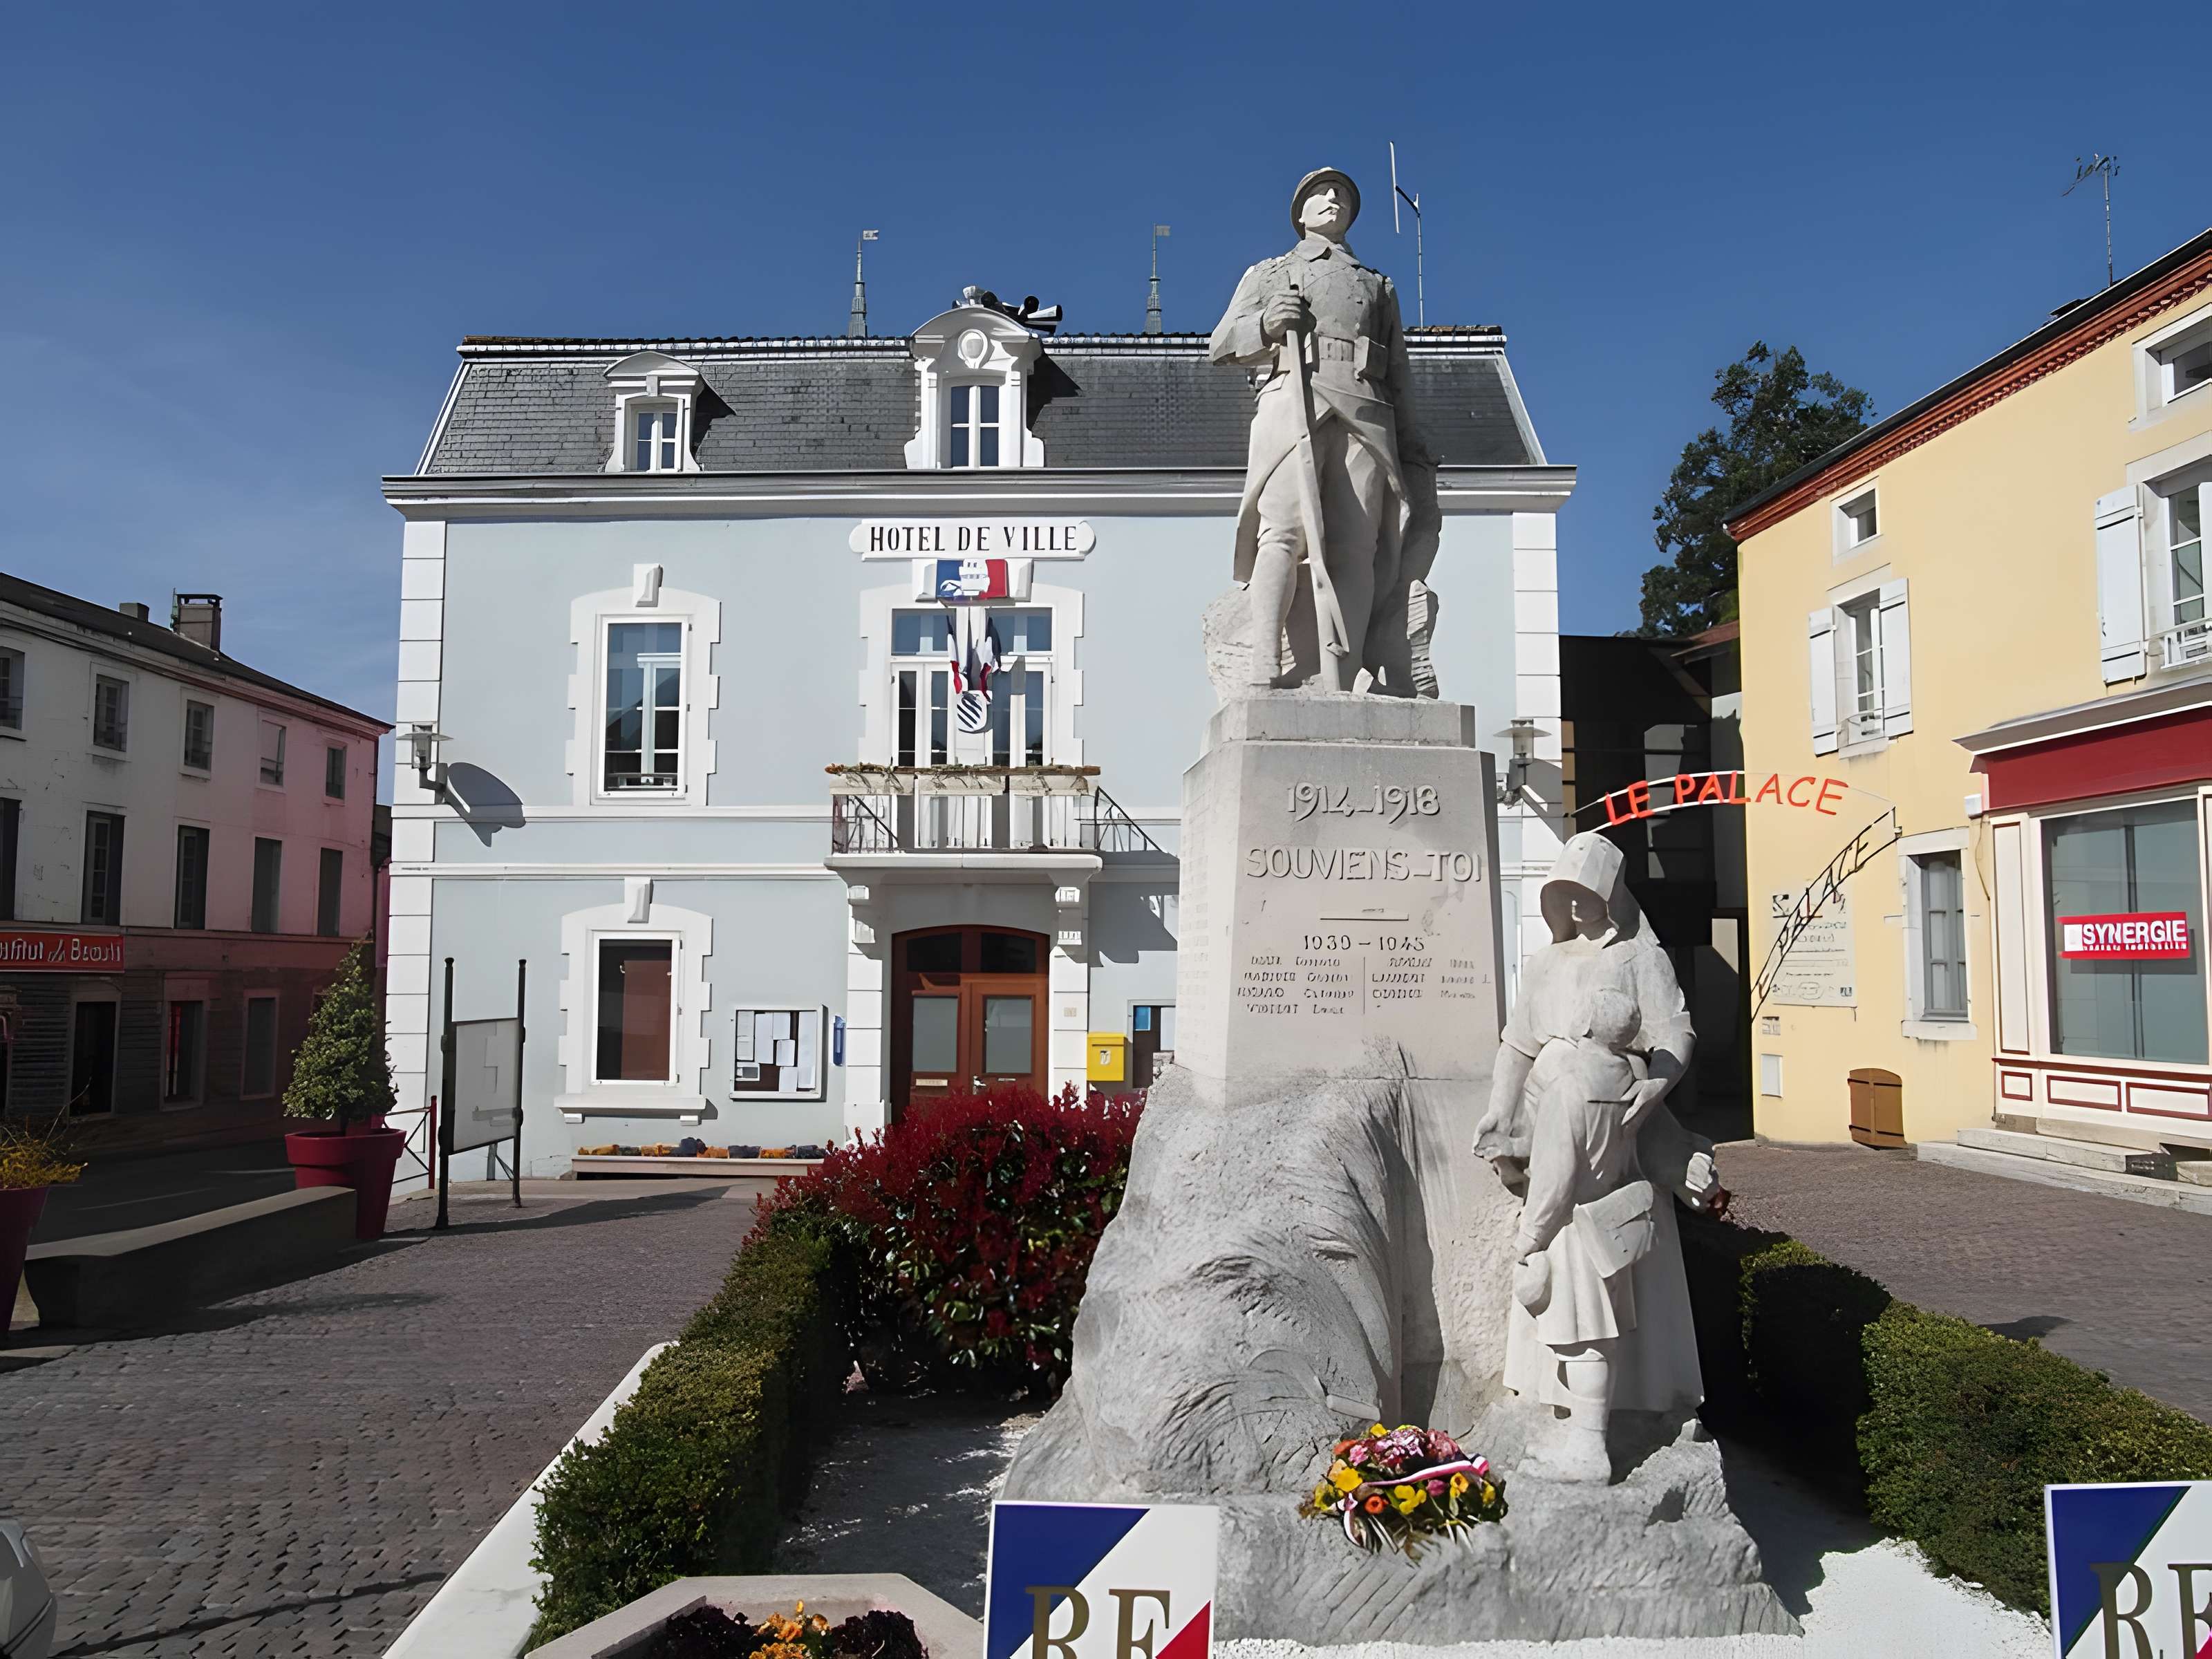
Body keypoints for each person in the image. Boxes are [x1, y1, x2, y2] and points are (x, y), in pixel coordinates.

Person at [1473, 831, 1725, 1482]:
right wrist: (1501, 1110)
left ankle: (1627, 1414)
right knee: (1571, 1283)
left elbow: (1675, 1033)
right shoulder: (1548, 962)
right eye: (1567, 895)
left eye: (1588, 896)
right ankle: (1560, 1405)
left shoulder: (1642, 957)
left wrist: (1655, 1086)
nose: (1578, 908)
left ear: (1611, 896)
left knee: (1598, 1273)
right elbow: (1517, 1044)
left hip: (1611, 1122)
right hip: (1551, 1112)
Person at [1208, 167, 1432, 694]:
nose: (1332, 199)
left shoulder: (1377, 284)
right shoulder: (1270, 273)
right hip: (1294, 397)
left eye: (1342, 196)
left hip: (1366, 408)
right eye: (1320, 193)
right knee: (1282, 533)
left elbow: (1399, 370)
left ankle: (1345, 668)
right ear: (1300, 212)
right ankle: (1264, 658)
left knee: (1358, 545)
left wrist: (1415, 441)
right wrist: (1265, 325)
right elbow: (1220, 343)